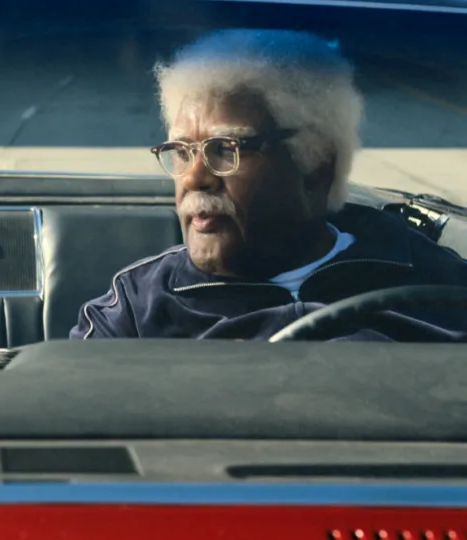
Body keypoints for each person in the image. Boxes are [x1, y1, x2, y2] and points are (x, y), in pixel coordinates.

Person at [72, 29, 467, 342]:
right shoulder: (133, 312)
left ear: (315, 166)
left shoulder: (434, 280)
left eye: (225, 149)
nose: (194, 178)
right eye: (181, 151)